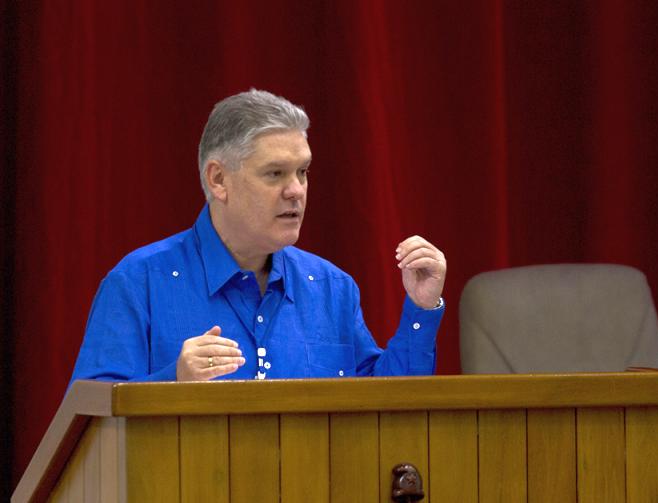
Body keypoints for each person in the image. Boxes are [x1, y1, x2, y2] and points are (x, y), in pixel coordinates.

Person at [69, 89, 446, 384]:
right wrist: (174, 380)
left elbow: (383, 409)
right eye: (275, 174)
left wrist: (422, 309)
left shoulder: (331, 287)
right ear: (219, 180)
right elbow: (92, 425)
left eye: (303, 172)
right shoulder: (139, 282)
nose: (296, 190)